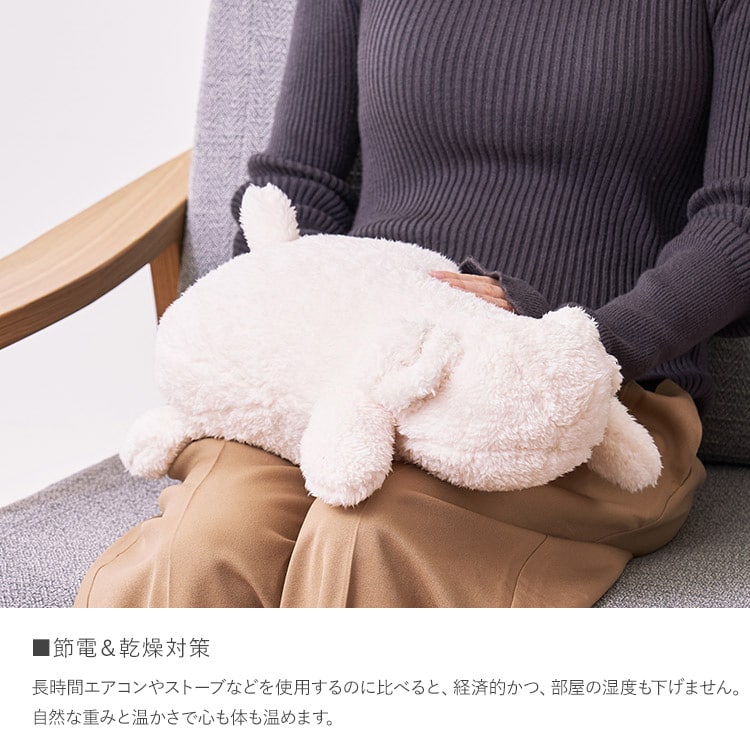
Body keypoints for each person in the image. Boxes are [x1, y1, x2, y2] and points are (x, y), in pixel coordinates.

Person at [75, 0, 749, 608]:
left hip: (581, 392)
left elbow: (739, 222)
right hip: (348, 366)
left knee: (366, 535)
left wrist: (577, 349)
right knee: (205, 546)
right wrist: (286, 322)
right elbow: (299, 183)